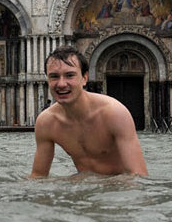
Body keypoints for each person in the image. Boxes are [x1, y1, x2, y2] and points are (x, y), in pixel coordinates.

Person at [30, 45, 148, 178]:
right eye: (54, 77)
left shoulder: (114, 113)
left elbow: (138, 176)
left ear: (84, 78)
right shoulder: (46, 122)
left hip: (118, 190)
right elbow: (38, 177)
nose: (61, 84)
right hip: (81, 189)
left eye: (70, 75)